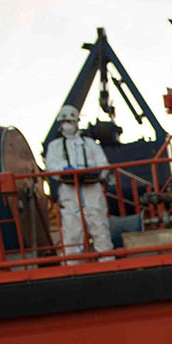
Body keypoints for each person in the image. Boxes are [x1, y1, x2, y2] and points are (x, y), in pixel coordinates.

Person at [43, 104, 113, 262]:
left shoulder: (89, 144)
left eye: (70, 121)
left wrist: (92, 173)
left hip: (92, 190)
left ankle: (107, 261)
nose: (67, 124)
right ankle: (73, 266)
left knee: (99, 224)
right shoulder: (55, 146)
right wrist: (66, 172)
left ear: (76, 122)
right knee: (71, 229)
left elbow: (104, 165)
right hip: (69, 191)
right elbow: (51, 167)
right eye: (64, 121)